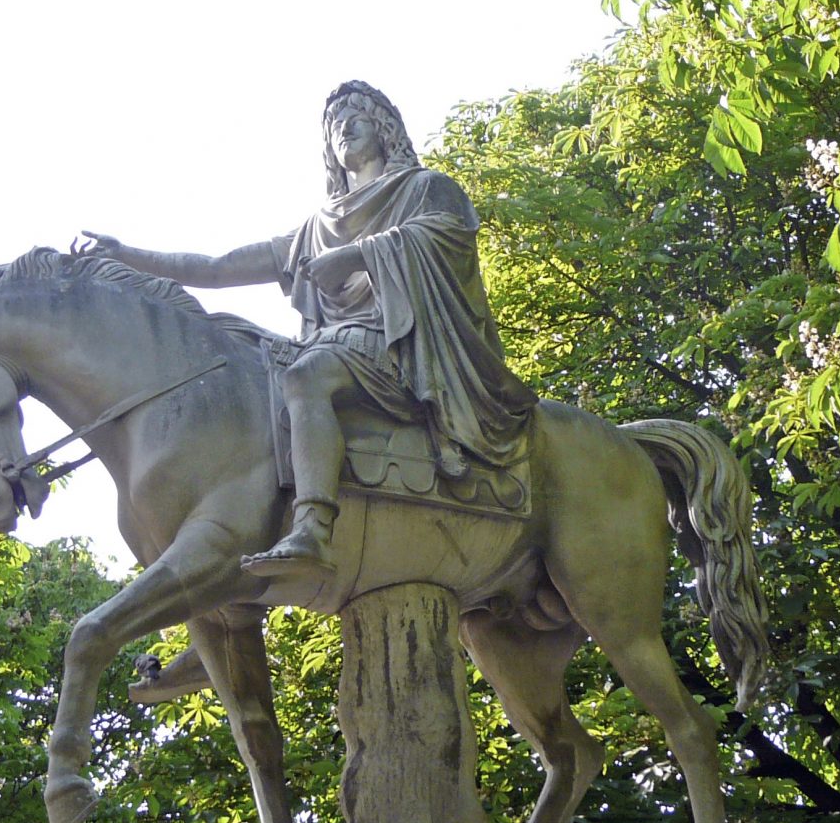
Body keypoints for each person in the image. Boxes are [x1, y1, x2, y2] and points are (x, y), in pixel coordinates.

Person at [82, 81, 536, 578]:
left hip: (402, 351)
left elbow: (444, 240)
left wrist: (358, 254)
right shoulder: (315, 227)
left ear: (384, 129)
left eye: (355, 118)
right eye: (334, 126)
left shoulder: (425, 188)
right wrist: (128, 255)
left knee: (305, 376)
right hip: (335, 347)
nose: (343, 129)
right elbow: (217, 268)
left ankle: (314, 528)